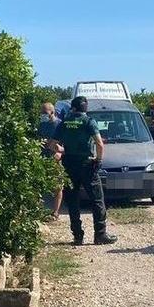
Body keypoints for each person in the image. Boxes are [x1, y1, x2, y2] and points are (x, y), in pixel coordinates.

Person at [49, 96, 118, 245]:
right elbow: (99, 144)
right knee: (97, 200)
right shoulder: (89, 121)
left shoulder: (64, 122)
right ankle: (100, 234)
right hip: (87, 165)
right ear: (85, 108)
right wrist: (98, 160)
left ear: (72, 108)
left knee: (73, 201)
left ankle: (77, 236)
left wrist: (63, 149)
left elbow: (52, 144)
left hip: (69, 165)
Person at [38, 102, 64, 221]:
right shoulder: (41, 125)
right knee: (40, 186)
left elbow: (66, 143)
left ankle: (56, 212)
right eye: (41, 113)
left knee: (58, 186)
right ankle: (39, 211)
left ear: (52, 112)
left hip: (56, 160)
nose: (43, 115)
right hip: (42, 158)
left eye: (45, 113)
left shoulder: (60, 125)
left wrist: (60, 153)